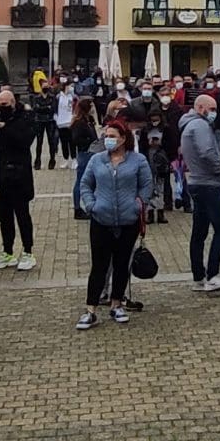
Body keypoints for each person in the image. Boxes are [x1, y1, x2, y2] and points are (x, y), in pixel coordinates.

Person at [75, 116, 152, 328]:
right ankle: (90, 309)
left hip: (128, 220)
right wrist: (92, 205)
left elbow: (146, 186)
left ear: (123, 138)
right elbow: (85, 184)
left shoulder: (138, 161)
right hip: (102, 219)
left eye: (112, 136)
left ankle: (116, 304)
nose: (108, 140)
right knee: (99, 266)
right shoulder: (97, 160)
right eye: (106, 136)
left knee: (121, 264)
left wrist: (138, 205)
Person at [178, 89, 220, 291]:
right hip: (208, 183)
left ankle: (198, 276)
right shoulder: (200, 126)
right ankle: (213, 274)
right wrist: (219, 168)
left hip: (196, 181)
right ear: (199, 108)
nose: (214, 113)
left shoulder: (188, 125)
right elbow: (207, 151)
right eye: (211, 109)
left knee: (199, 232)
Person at [0, 87, 41, 271]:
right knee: (4, 217)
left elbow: (25, 140)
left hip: (20, 177)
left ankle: (28, 251)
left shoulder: (25, 118)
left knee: (22, 216)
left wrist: (6, 129)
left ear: (12, 103)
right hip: (1, 177)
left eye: (5, 104)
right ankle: (7, 251)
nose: (2, 107)